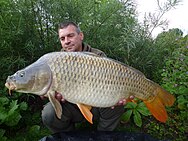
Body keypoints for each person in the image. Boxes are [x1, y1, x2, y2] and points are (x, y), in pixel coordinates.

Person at [41, 21, 134, 133]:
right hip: (71, 106)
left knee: (116, 104)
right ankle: (70, 136)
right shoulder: (55, 62)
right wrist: (49, 95)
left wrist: (119, 95)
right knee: (49, 113)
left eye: (70, 36)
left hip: (96, 104)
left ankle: (104, 135)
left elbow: (112, 82)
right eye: (62, 38)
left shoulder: (98, 56)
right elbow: (43, 90)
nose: (66, 41)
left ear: (81, 36)